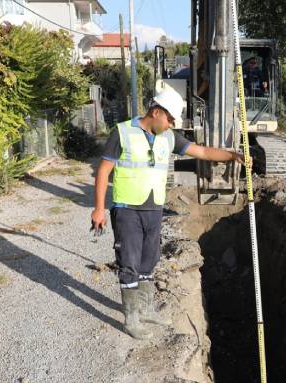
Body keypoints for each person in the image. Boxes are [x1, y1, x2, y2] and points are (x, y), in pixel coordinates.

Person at [90, 90, 243, 340]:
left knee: (149, 260)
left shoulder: (169, 137)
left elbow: (202, 152)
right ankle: (132, 318)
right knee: (129, 261)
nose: (172, 125)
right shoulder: (122, 132)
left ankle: (147, 308)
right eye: (171, 120)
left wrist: (232, 156)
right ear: (156, 112)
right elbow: (103, 171)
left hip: (154, 208)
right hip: (127, 208)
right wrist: (98, 208)